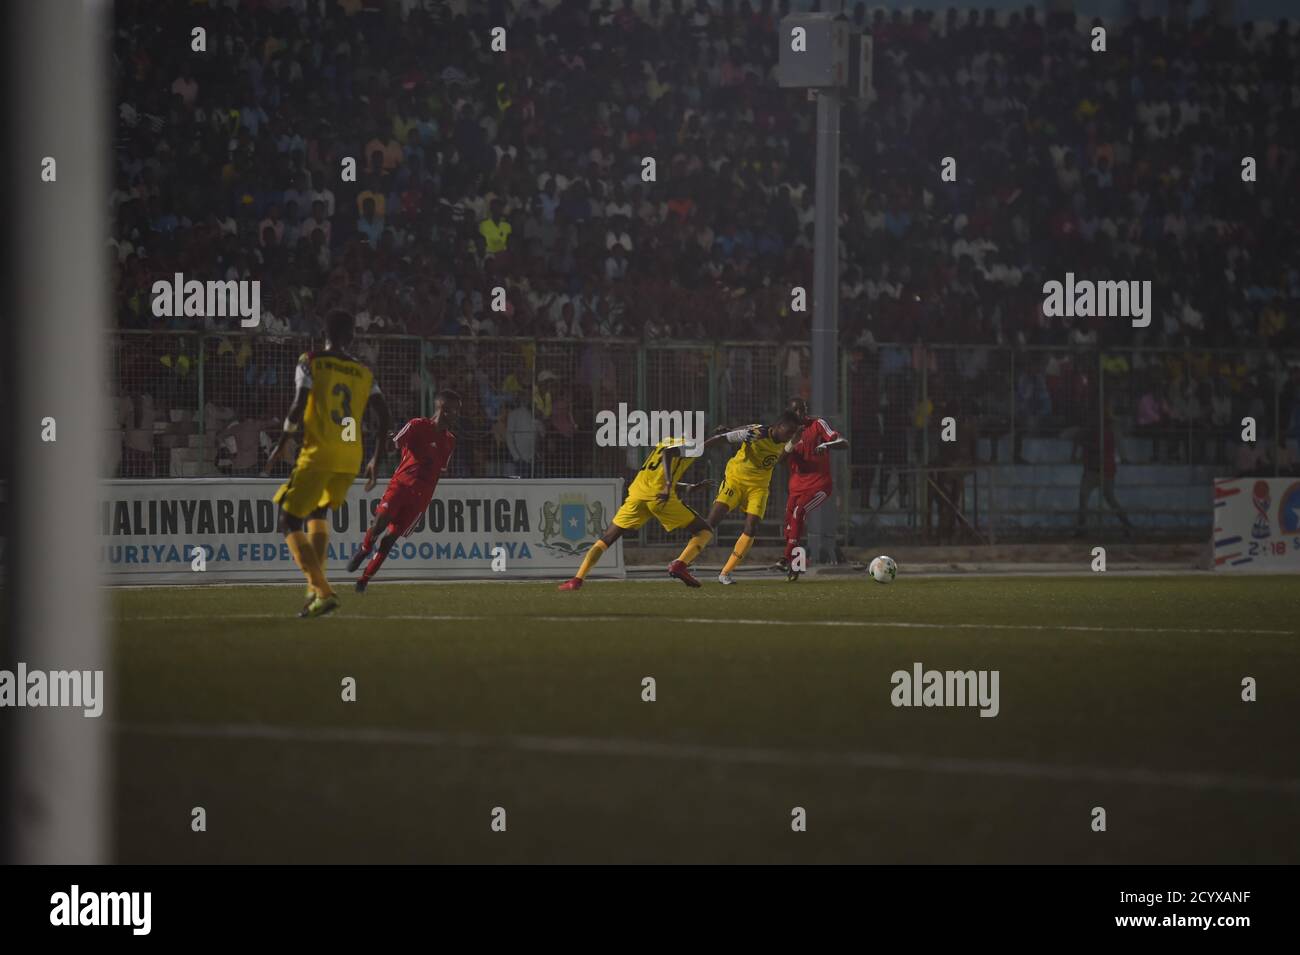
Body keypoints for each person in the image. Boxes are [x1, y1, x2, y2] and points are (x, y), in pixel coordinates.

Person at [264, 310, 390, 617]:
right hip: (351, 455)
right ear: (352, 337)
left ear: (325, 333)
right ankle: (314, 592)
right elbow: (384, 415)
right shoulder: (363, 371)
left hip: (320, 451)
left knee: (288, 520)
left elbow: (298, 404)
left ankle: (322, 590)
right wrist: (377, 457)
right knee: (317, 511)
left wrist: (281, 444)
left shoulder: (311, 360)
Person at [558, 429, 734, 591]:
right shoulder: (686, 446)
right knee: (704, 531)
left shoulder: (664, 442)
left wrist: (688, 487)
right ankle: (680, 564)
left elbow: (657, 469)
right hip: (659, 496)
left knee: (607, 539)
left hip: (637, 495)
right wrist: (667, 486)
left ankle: (577, 579)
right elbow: (671, 453)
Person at [348, 390, 461, 590]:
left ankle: (364, 579)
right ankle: (365, 549)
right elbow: (394, 443)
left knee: (389, 540)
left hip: (421, 498)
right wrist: (391, 445)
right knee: (379, 524)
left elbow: (441, 468)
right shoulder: (417, 425)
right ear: (443, 410)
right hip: (400, 486)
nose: (457, 415)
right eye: (454, 410)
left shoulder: (450, 440)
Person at [705, 411, 803, 585]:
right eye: (788, 431)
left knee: (752, 527)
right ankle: (682, 562)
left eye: (792, 433)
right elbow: (742, 432)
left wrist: (792, 444)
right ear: (779, 426)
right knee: (711, 521)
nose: (790, 435)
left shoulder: (787, 441)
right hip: (736, 479)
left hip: (758, 487)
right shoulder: (759, 432)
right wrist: (726, 432)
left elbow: (777, 459)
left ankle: (725, 573)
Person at [778, 397, 848, 580]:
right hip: (796, 488)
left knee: (799, 512)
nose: (801, 414)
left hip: (819, 485)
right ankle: (796, 567)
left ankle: (786, 558)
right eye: (796, 411)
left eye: (803, 410)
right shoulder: (787, 431)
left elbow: (843, 442)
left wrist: (826, 444)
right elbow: (779, 460)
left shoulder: (817, 425)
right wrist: (792, 442)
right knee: (790, 526)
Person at [1074, 405, 1134, 539]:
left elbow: (1098, 447)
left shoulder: (1108, 431)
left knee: (1109, 499)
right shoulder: (1093, 429)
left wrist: (1085, 444)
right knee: (1084, 498)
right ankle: (1081, 528)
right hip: (1093, 469)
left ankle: (1127, 524)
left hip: (1104, 469)